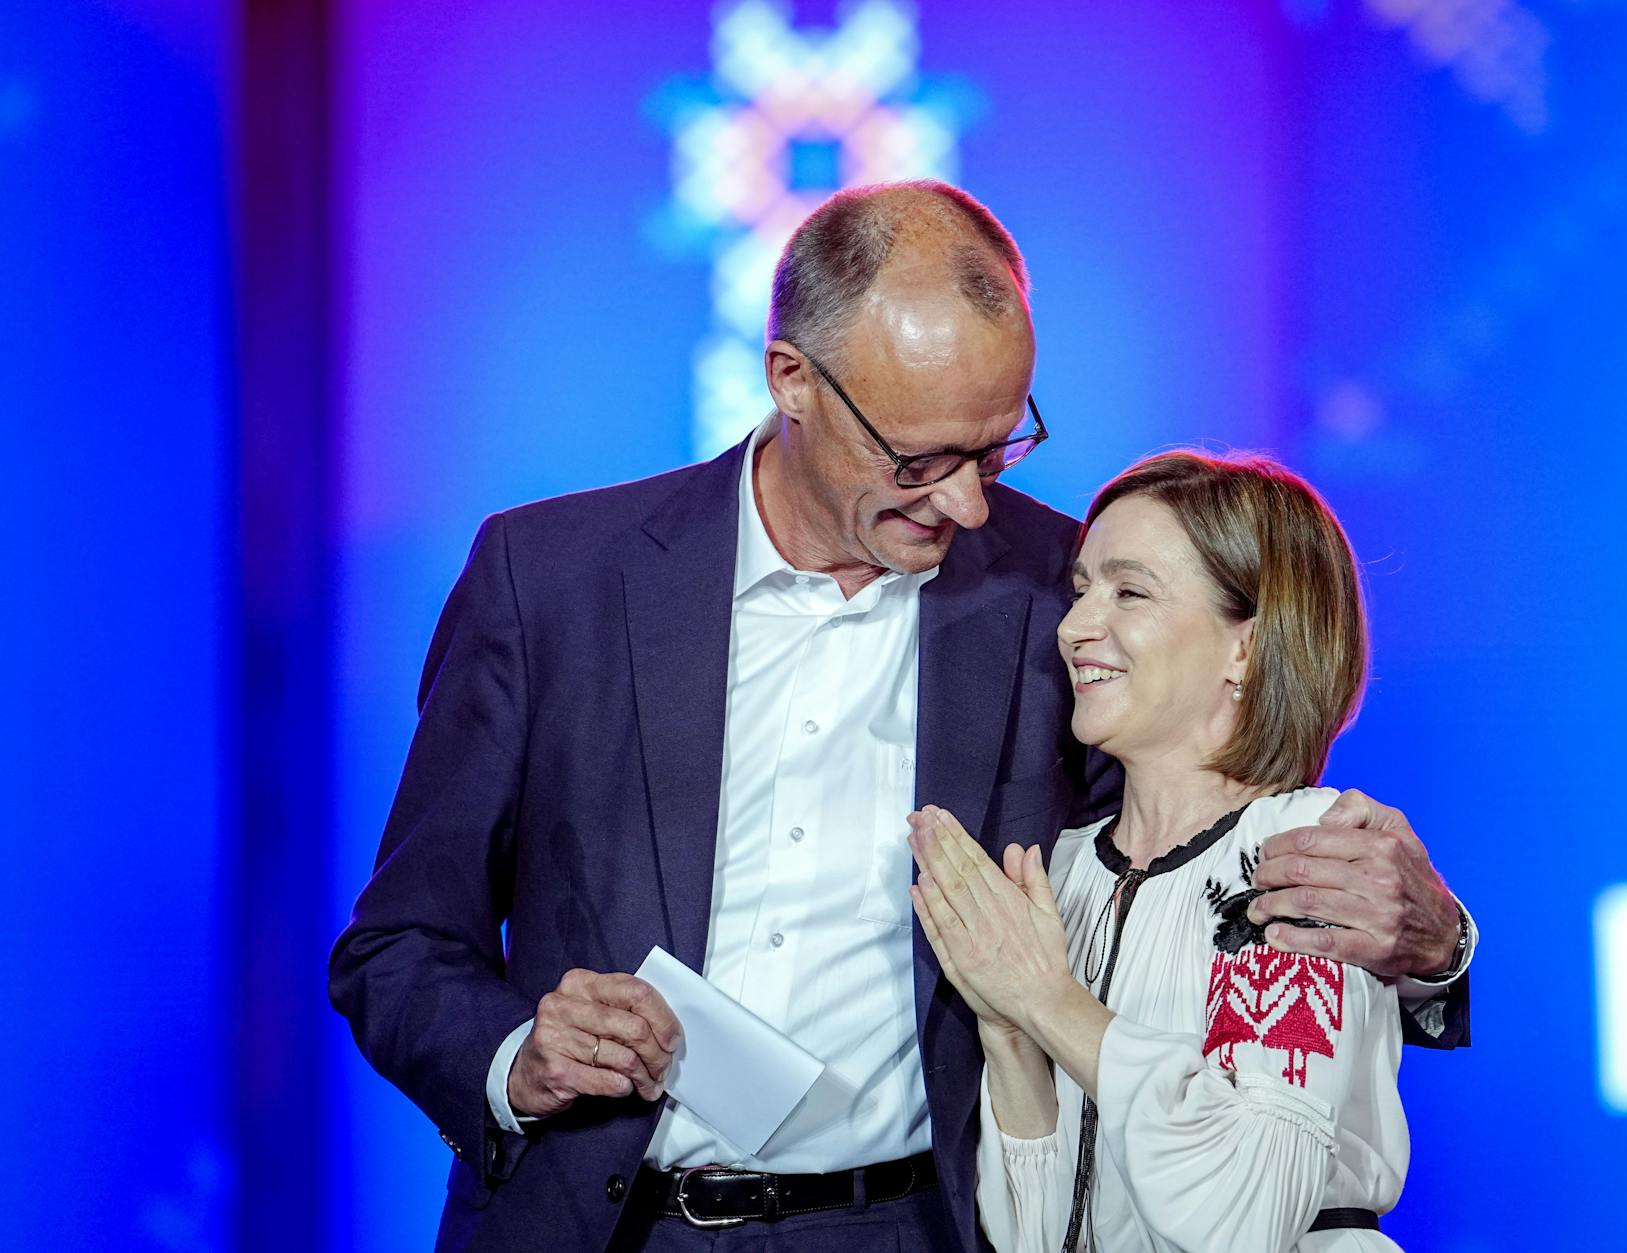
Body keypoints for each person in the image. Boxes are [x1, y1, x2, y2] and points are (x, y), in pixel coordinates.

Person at [328, 182, 1473, 1253]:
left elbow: (1198, 859)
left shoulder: (1057, 588)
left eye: (999, 443)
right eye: (922, 458)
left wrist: (1432, 953)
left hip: (920, 1225)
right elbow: (396, 944)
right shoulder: (552, 579)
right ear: (792, 379)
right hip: (596, 1220)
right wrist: (515, 1056)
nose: (968, 502)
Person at [909, 452, 1418, 1251]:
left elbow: (1240, 1215)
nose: (1074, 626)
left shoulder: (1305, 860)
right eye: (1081, 588)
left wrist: (1046, 999)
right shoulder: (1068, 868)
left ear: (1245, 649)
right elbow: (1031, 1234)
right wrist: (1007, 1030)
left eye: (1129, 591)